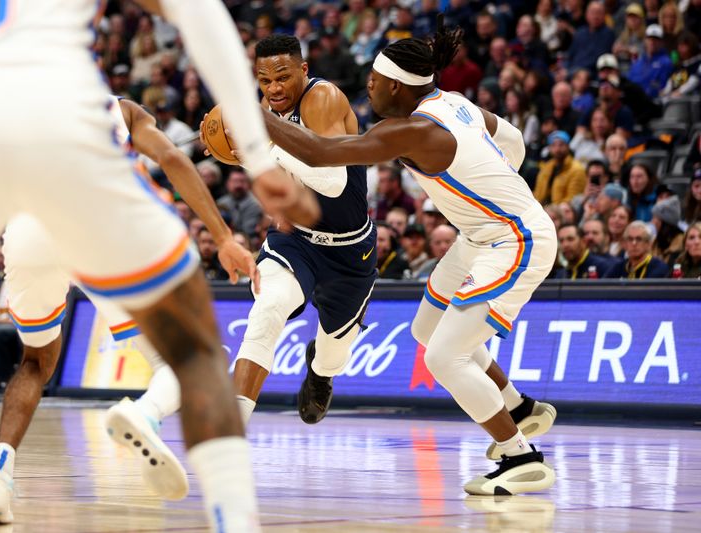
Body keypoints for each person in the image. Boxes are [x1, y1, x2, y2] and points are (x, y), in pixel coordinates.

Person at [0, 1, 320, 531]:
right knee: (197, 358)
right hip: (85, 176)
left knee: (34, 363)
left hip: (8, 205)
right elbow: (173, 157)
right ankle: (188, 465)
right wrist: (229, 223)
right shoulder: (117, 107)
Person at [258, 28, 558, 496]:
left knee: (444, 357)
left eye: (374, 81)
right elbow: (514, 140)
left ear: (397, 86)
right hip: (484, 233)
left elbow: (319, 153)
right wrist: (501, 184)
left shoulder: (411, 130)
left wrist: (253, 120)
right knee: (427, 330)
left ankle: (522, 457)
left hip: (513, 240)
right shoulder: (453, 102)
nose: (368, 88)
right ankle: (518, 407)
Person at [215, 34, 377, 428]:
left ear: (303, 70)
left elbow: (332, 182)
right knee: (268, 309)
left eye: (283, 77)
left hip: (348, 250)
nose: (274, 88)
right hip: (297, 242)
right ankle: (233, 432)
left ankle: (320, 373)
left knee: (333, 355)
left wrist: (262, 143)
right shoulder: (264, 111)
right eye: (265, 80)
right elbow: (279, 179)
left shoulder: (322, 99)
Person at [534, 131, 587, 205]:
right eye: (553, 145)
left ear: (568, 146)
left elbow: (572, 200)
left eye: (561, 145)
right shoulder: (546, 167)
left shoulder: (577, 170)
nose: (557, 149)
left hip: (561, 212)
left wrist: (552, 210)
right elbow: (537, 194)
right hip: (542, 210)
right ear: (549, 148)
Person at [603, 221, 670, 278]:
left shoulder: (659, 267)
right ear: (625, 244)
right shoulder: (618, 267)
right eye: (630, 239)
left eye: (639, 239)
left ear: (648, 244)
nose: (634, 243)